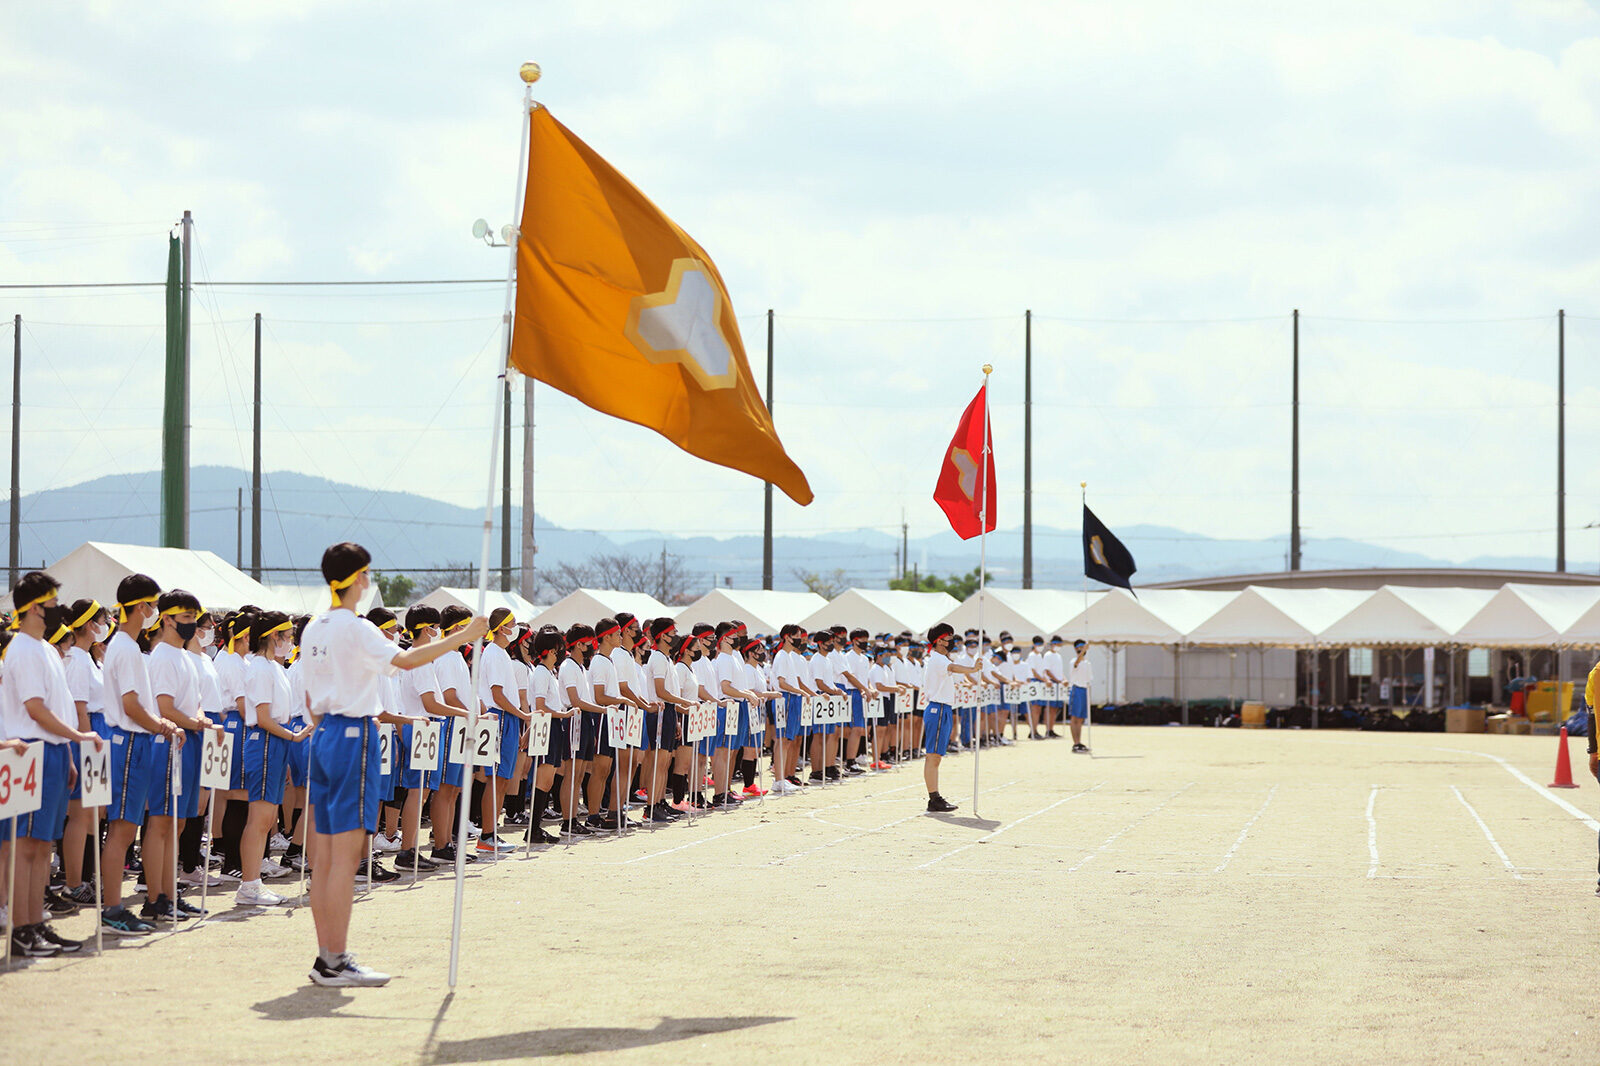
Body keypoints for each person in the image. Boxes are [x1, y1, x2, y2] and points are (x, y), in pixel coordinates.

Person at [298, 542, 488, 988]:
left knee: (324, 858)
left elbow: (310, 699)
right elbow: (405, 660)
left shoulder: (313, 629)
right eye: (366, 574)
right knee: (343, 858)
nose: (369, 582)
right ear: (357, 578)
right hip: (350, 737)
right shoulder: (355, 627)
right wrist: (463, 636)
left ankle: (327, 956)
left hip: (323, 734)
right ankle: (334, 960)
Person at [2, 571, 103, 956]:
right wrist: (75, 737)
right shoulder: (24, 648)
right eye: (49, 604)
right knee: (26, 845)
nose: (55, 611)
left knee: (43, 846)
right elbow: (34, 708)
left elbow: (51, 704)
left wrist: (67, 752)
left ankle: (36, 924)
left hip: (52, 751)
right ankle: (22, 929)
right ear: (31, 607)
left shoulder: (44, 647)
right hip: (30, 750)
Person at [237, 611, 309, 906]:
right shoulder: (260, 668)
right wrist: (294, 737)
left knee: (266, 817)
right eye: (288, 635)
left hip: (276, 742)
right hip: (267, 742)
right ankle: (249, 884)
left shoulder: (273, 667)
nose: (291, 641)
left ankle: (253, 883)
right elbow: (263, 717)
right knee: (260, 817)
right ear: (272, 636)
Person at [919, 623, 983, 813]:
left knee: (936, 755)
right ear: (939, 641)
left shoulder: (940, 658)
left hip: (943, 708)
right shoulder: (937, 659)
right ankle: (934, 798)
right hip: (937, 709)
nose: (951, 641)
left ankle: (935, 796)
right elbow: (953, 668)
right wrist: (972, 669)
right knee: (933, 755)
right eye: (948, 638)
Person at [1068, 638, 1094, 753]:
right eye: (1079, 647)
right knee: (1075, 717)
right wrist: (1083, 651)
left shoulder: (1088, 663)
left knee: (1081, 718)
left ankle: (1079, 741)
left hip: (1084, 690)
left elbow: (1089, 679)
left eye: (1082, 646)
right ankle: (1075, 743)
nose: (1081, 649)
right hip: (1077, 688)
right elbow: (1076, 663)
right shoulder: (1074, 661)